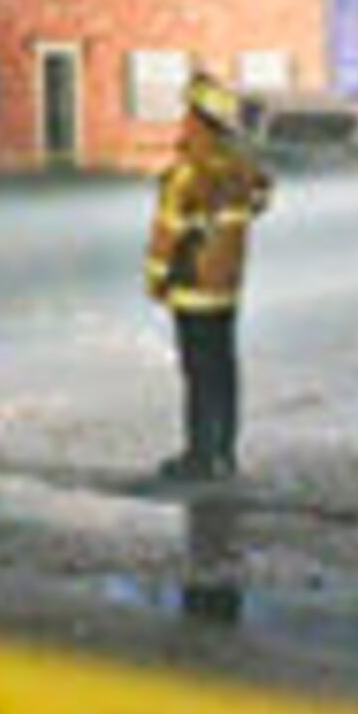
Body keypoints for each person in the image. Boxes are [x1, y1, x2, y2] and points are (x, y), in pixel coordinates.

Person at [145, 69, 274, 481]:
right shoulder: (239, 168)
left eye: (188, 113)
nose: (183, 120)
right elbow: (262, 193)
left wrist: (157, 278)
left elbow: (167, 233)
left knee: (198, 374)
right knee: (224, 372)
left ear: (200, 120)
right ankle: (224, 451)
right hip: (228, 288)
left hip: (192, 288)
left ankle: (199, 457)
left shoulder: (188, 172)